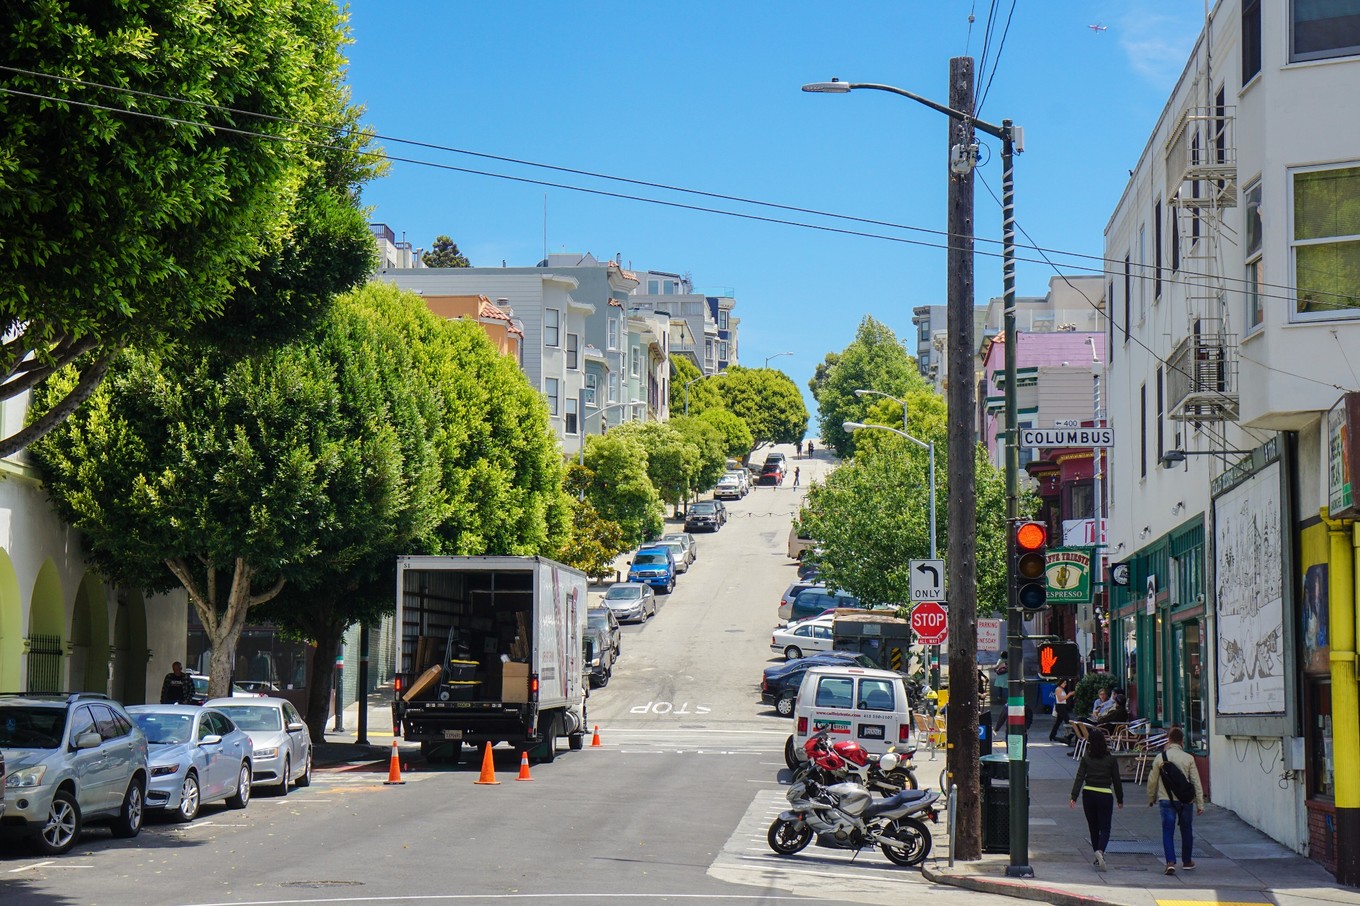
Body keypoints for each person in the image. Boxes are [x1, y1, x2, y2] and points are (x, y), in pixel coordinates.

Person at [1146, 726, 1204, 875]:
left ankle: (1170, 862)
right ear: (1182, 741)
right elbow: (1196, 782)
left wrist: (1151, 797)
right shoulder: (1188, 758)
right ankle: (1187, 861)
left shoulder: (1161, 757)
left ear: (1168, 740)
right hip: (1186, 801)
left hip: (1166, 800)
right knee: (1186, 830)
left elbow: (1152, 780)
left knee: (1167, 830)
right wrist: (1200, 803)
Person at [1069, 727, 1124, 871]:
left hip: (1089, 794)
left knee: (1093, 828)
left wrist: (1073, 796)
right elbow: (1117, 780)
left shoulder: (1086, 758)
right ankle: (1100, 851)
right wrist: (1120, 798)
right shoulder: (1111, 759)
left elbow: (1080, 777)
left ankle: (1096, 856)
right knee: (1105, 827)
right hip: (1105, 794)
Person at [1049, 678, 1073, 742]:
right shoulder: (1058, 689)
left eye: (1065, 683)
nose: (1065, 684)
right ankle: (1067, 736)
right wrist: (1069, 695)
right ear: (1061, 683)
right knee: (1067, 720)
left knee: (1058, 722)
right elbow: (1060, 699)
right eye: (1064, 683)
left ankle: (1052, 735)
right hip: (1060, 706)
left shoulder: (1062, 689)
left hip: (1063, 706)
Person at [990, 652, 1009, 733]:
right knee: (1006, 688)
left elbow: (996, 668)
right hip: (1006, 676)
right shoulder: (1009, 660)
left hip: (1000, 676)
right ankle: (1007, 700)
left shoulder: (1000, 660)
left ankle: (1000, 696)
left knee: (1001, 687)